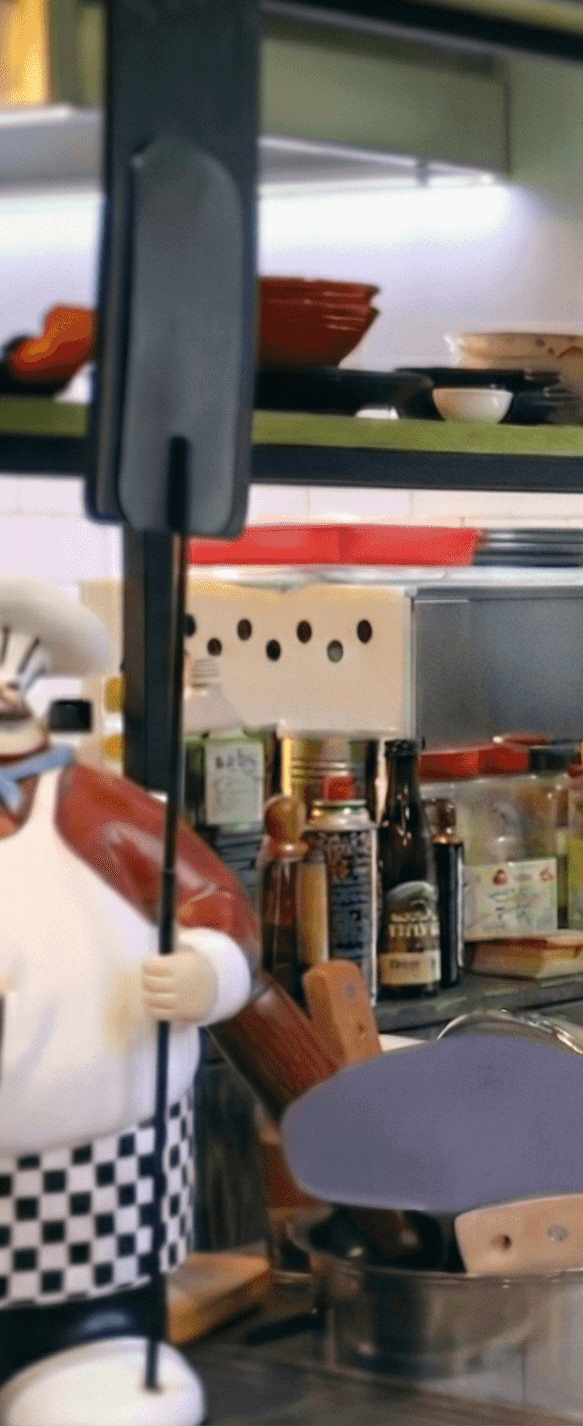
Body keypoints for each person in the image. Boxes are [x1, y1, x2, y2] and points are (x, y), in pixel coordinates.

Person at [0, 581, 254, 1425]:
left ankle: (93, 1360)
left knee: (91, 1369)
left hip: (95, 1195)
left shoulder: (97, 810)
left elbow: (215, 902)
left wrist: (207, 968)